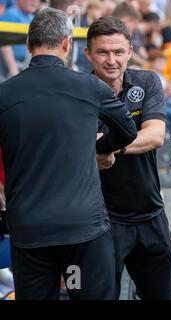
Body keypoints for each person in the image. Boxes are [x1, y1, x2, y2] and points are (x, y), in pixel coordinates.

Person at [0, 8, 137, 300]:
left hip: (29, 228)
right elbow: (128, 131)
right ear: (66, 44)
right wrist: (100, 148)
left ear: (28, 44)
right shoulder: (89, 87)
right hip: (82, 228)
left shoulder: (5, 94)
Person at [85, 16, 171, 300]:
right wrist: (90, 152)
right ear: (88, 54)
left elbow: (155, 135)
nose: (112, 60)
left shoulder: (147, 81)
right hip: (101, 221)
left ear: (130, 52)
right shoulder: (78, 91)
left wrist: (109, 147)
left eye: (119, 52)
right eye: (103, 52)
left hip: (150, 214)